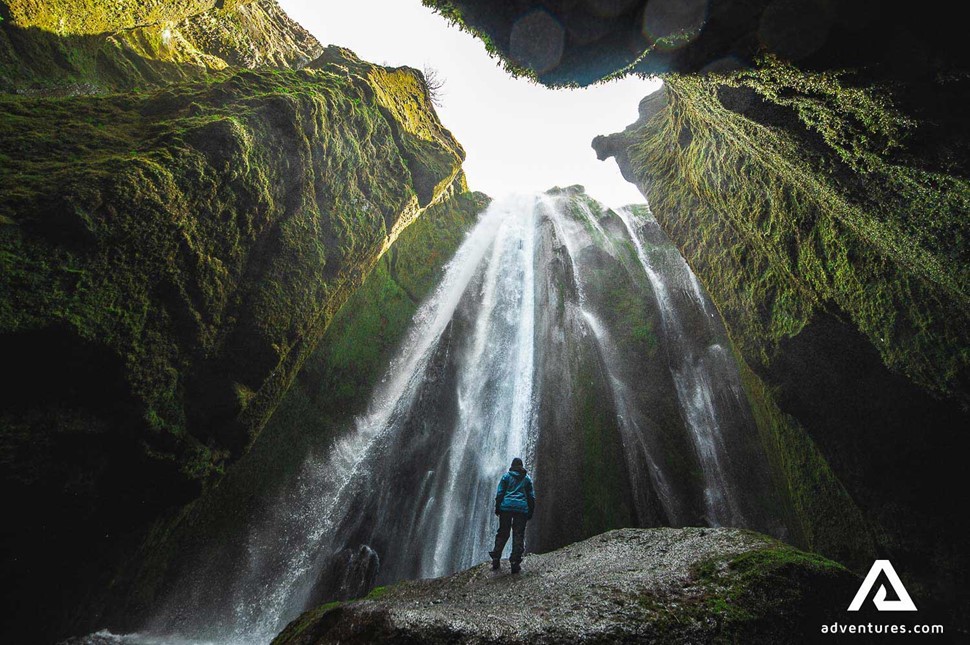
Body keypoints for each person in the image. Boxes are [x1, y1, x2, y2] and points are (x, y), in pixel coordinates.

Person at [488, 457, 535, 574]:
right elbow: (531, 497)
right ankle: (515, 562)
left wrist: (498, 507)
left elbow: (500, 493)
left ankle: (496, 557)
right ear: (521, 466)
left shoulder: (506, 477)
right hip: (521, 509)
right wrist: (530, 511)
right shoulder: (527, 479)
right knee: (518, 534)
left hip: (506, 508)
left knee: (503, 532)